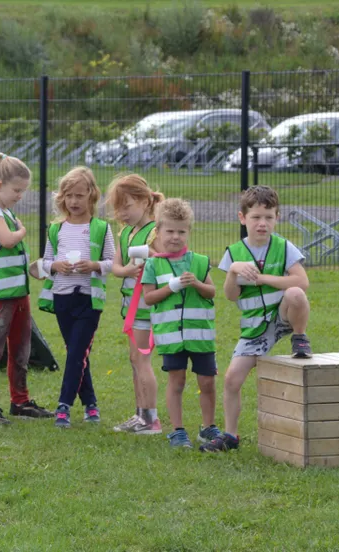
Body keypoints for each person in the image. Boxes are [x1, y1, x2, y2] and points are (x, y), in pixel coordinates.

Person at [201, 185, 312, 452]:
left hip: (282, 315)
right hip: (255, 328)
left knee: (295, 293)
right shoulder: (234, 253)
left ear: (277, 218)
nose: (262, 223)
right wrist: (233, 272)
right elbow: (230, 295)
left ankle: (299, 338)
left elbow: (302, 281)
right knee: (231, 379)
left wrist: (261, 278)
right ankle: (230, 435)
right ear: (243, 218)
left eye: (269, 217)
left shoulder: (284, 247)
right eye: (256, 217)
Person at [0, 152, 53, 424]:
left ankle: (20, 401)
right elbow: (7, 240)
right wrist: (21, 233)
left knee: (21, 349)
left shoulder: (6, 211)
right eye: (17, 190)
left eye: (23, 190)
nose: (21, 195)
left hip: (19, 295)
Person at [141, 199, 221, 448]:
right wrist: (171, 287)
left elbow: (211, 291)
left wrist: (196, 283)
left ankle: (208, 427)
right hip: (171, 337)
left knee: (207, 382)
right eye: (170, 231)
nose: (175, 237)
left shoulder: (199, 261)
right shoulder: (153, 264)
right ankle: (177, 430)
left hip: (200, 337)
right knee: (177, 381)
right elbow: (148, 297)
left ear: (189, 232)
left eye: (181, 231)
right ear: (159, 230)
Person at [38, 167, 113, 429]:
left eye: (79, 195)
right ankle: (90, 403)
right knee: (76, 353)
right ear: (62, 197)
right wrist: (54, 267)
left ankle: (64, 406)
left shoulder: (101, 228)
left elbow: (112, 263)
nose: (74, 201)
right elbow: (46, 261)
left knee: (76, 353)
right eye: (69, 195)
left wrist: (93, 265)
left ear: (91, 195)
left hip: (89, 300)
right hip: (62, 298)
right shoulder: (56, 229)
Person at [106, 174, 164, 435]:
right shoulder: (126, 233)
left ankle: (151, 420)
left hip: (148, 309)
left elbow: (166, 260)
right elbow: (116, 268)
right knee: (134, 359)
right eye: (117, 208)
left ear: (143, 201)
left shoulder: (156, 232)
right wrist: (127, 269)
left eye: (126, 206)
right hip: (131, 308)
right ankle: (140, 414)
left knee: (142, 361)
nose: (121, 213)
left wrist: (150, 257)